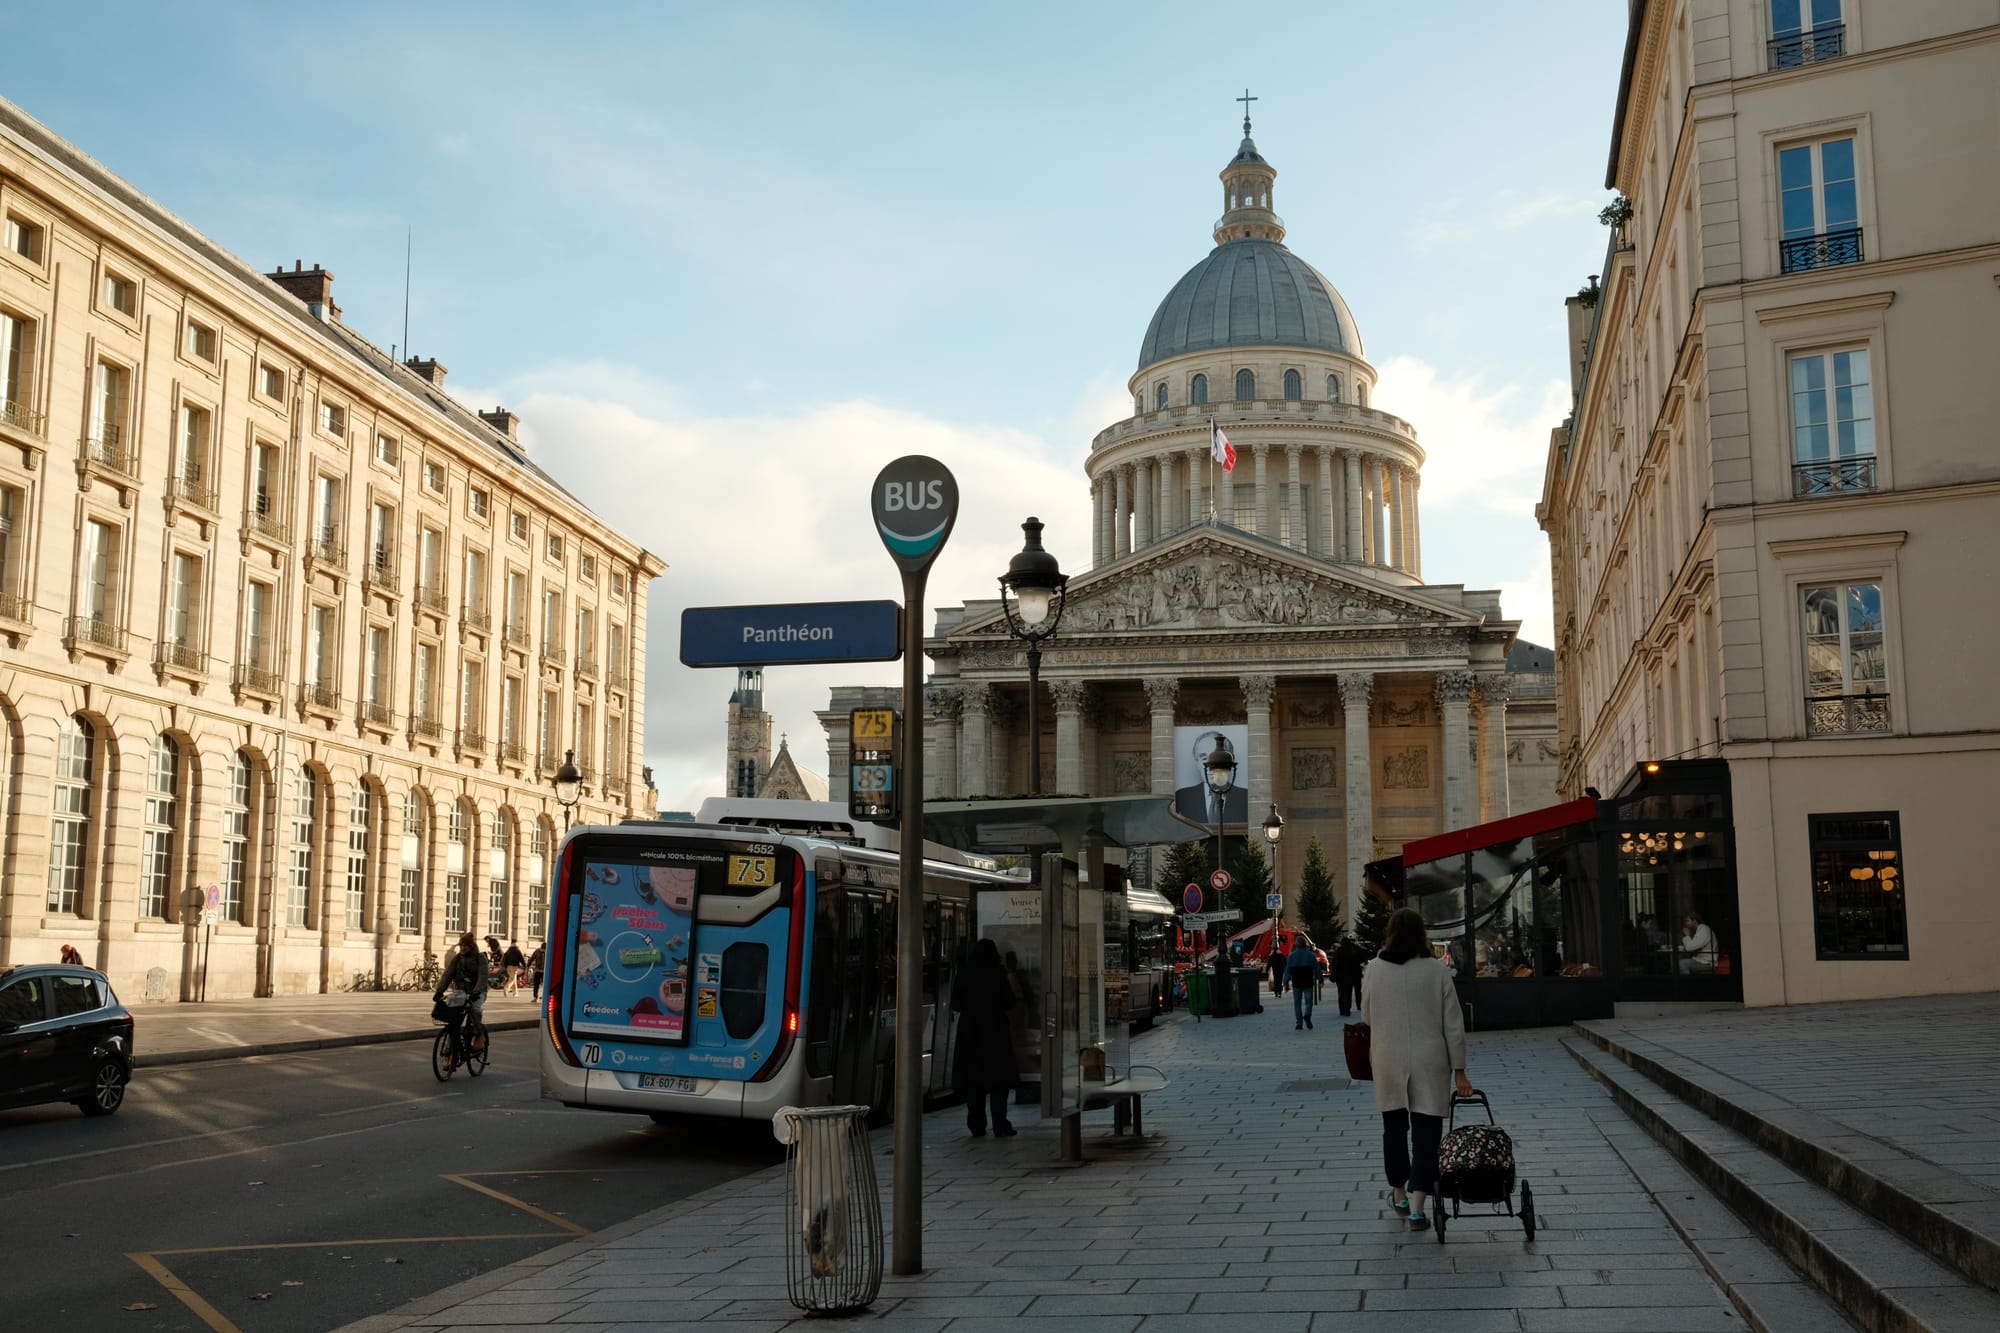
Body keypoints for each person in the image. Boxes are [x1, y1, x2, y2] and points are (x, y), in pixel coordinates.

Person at [1363, 908, 1472, 1234]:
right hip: (1430, 1060)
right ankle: (1417, 1208)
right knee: (1426, 1136)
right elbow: (1453, 1024)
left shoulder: (1374, 969)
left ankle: (1398, 1194)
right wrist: (1460, 1070)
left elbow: (1366, 1016)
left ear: (1391, 932)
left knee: (1393, 1130)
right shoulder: (1437, 970)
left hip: (1388, 1060)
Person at [950, 938, 1020, 1138]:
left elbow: (955, 1003)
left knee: (974, 1082)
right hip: (995, 1032)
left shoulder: (965, 973)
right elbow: (1009, 1001)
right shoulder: (997, 973)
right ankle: (1000, 1124)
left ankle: (976, 1125)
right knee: (999, 1082)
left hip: (969, 1033)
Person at [434, 931, 490, 1070]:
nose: (463, 948)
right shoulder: (457, 958)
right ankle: (451, 1058)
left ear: (472, 947)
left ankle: (479, 1035)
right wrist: (439, 991)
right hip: (460, 993)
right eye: (461, 945)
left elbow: (483, 976)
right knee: (452, 1019)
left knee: (474, 1008)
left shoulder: (480, 958)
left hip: (477, 992)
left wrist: (476, 992)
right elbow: (448, 974)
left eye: (466, 945)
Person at [1285, 934, 1321, 1029]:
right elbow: (1317, 968)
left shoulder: (1291, 956)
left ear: (1296, 945)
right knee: (1309, 1002)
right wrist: (1320, 978)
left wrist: (1285, 982)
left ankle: (1299, 1023)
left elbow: (1288, 970)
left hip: (1296, 982)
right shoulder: (1311, 955)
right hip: (1307, 981)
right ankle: (1307, 1014)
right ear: (1305, 944)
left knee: (1297, 1003)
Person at [1332, 935, 1366, 1017]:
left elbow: (1335, 963)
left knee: (1341, 993)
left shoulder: (1339, 951)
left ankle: (1342, 1010)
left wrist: (1334, 973)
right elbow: (1362, 959)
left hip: (1341, 975)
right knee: (1350, 992)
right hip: (1354, 974)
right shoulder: (1354, 950)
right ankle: (1350, 1008)